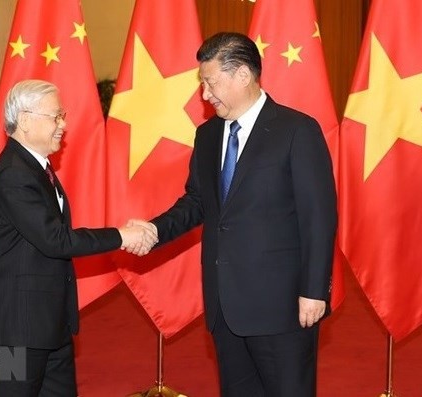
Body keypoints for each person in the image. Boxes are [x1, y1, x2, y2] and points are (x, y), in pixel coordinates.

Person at [129, 32, 337, 396]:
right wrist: (153, 230)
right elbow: (197, 202)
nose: (205, 94)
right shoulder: (207, 135)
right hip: (225, 305)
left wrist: (314, 290)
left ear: (242, 75)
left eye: (210, 82)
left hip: (282, 306)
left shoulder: (297, 130)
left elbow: (318, 217)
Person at [0, 79, 156, 397]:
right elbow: (55, 240)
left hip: (48, 323)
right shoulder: (14, 174)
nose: (64, 125)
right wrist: (121, 236)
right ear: (26, 120)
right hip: (15, 326)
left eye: (62, 116)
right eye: (56, 116)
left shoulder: (37, 168)